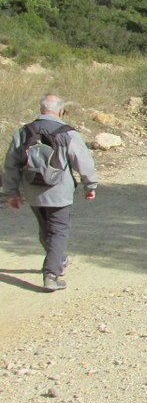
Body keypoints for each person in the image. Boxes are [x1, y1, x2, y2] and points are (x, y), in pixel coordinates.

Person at [3, 94, 98, 292]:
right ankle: (51, 275)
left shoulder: (23, 132)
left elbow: (11, 164)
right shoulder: (68, 133)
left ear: (41, 109)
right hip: (59, 191)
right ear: (61, 111)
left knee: (45, 229)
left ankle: (59, 259)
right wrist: (90, 186)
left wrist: (12, 192)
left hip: (33, 191)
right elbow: (84, 163)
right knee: (58, 231)